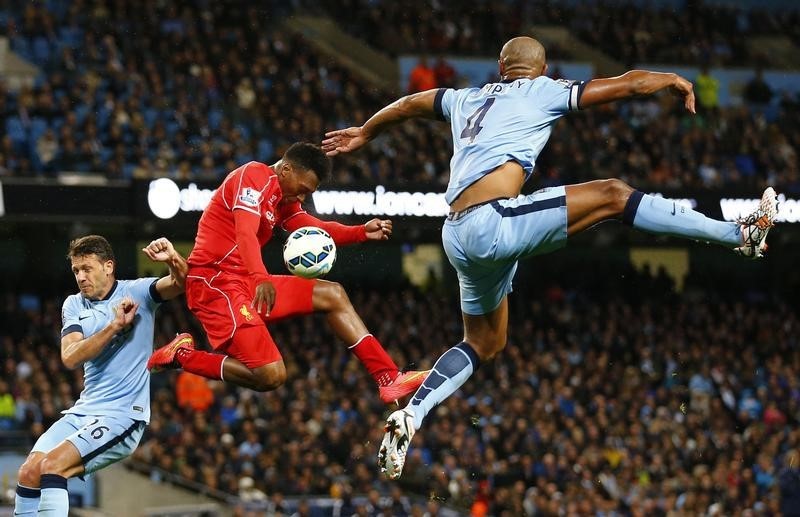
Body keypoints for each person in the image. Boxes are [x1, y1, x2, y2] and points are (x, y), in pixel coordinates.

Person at [322, 36, 779, 479]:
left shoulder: (462, 98)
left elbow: (407, 105)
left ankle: (413, 415)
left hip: (456, 235)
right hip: (493, 221)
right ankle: (740, 234)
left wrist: (365, 131)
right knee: (613, 194)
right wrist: (670, 78)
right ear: (541, 70)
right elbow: (627, 84)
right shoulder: (542, 91)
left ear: (500, 68)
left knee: (484, 343)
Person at [147, 142, 427, 403]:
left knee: (333, 294)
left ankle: (388, 377)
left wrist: (359, 232)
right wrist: (260, 278)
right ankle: (182, 356)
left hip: (244, 282)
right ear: (286, 169)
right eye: (303, 188)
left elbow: (312, 225)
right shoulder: (253, 175)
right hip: (215, 283)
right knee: (271, 376)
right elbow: (245, 232)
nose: (303, 196)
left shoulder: (282, 198)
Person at [14, 235, 187, 516]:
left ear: (108, 266)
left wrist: (173, 259)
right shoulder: (74, 305)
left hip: (123, 416)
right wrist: (114, 327)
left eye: (87, 268)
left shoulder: (138, 293)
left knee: (52, 466)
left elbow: (181, 284)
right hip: (84, 411)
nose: (81, 277)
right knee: (29, 472)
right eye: (76, 271)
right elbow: (70, 357)